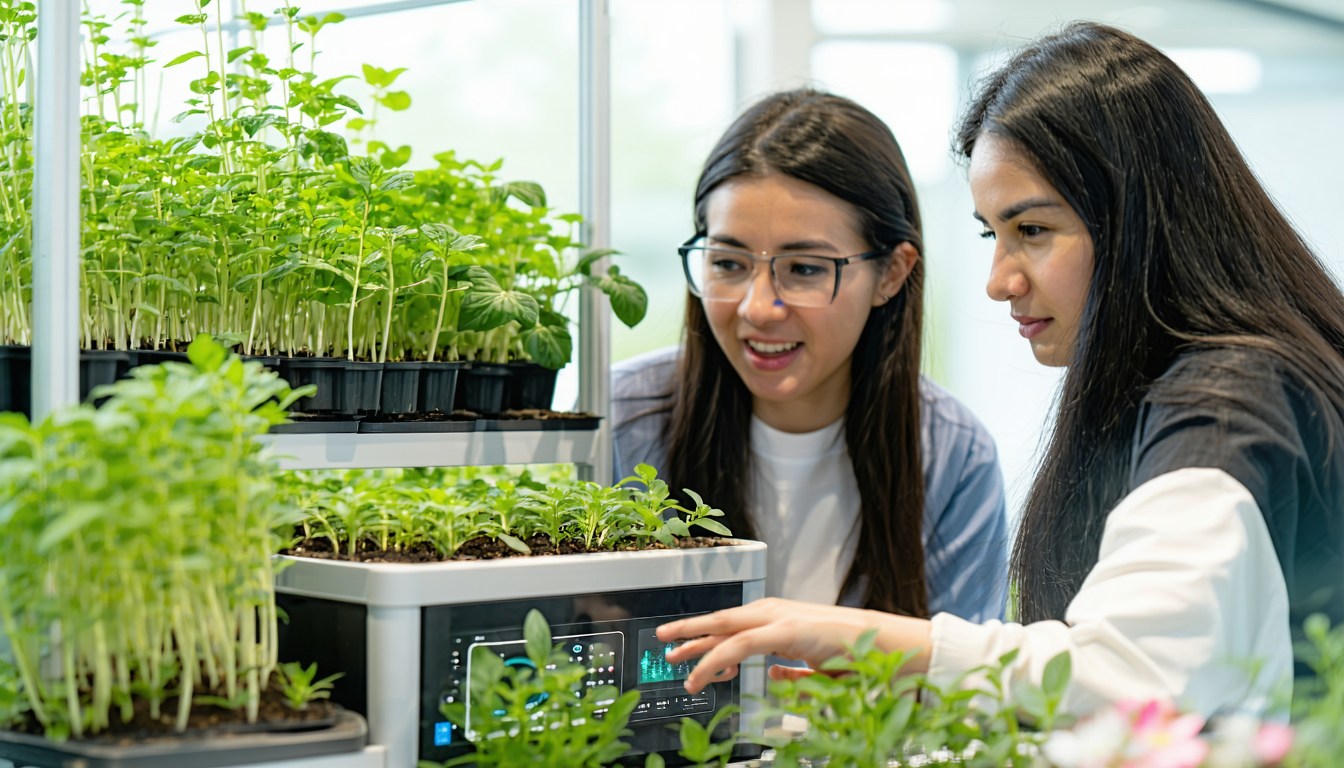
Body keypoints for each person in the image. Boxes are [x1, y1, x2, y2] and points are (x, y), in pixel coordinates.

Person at [657, 22, 1344, 720]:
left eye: (1034, 231)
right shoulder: (1192, 390)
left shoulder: (1224, 405)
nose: (999, 281)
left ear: (1139, 218)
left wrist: (871, 639)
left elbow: (1133, 673)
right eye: (993, 234)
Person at [613, 90, 1008, 622]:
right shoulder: (623, 420)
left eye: (804, 269)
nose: (759, 308)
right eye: (728, 263)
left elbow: (962, 687)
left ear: (891, 272)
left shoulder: (950, 456)